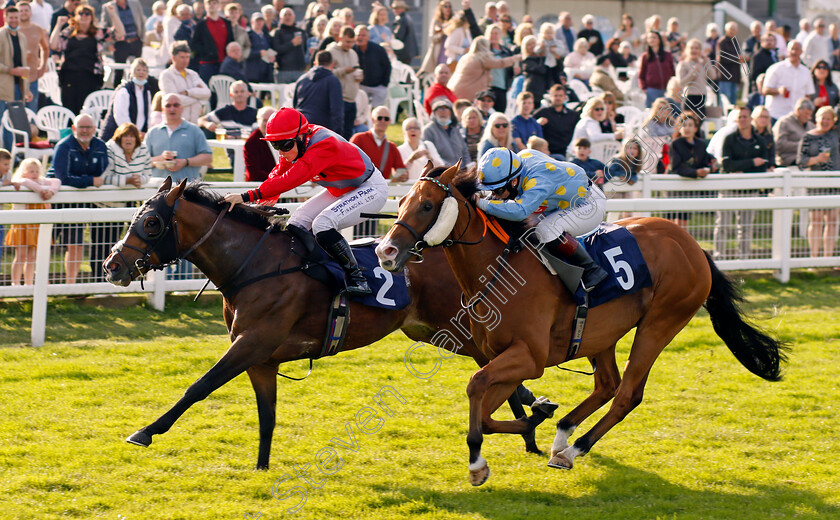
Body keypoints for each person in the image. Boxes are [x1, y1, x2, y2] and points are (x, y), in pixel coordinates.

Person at [223, 107, 389, 295]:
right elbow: (279, 171)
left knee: (323, 224)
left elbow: (290, 179)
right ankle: (314, 271)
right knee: (297, 222)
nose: (281, 151)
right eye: (275, 145)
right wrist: (270, 194)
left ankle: (359, 279)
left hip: (370, 188)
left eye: (284, 145)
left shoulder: (322, 146)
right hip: (343, 188)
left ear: (301, 137)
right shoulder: (295, 142)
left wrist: (246, 196)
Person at [475, 147, 608, 291]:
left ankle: (591, 269)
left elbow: (520, 211)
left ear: (513, 182)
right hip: (557, 201)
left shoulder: (538, 179)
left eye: (498, 190)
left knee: (545, 231)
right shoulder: (518, 163)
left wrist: (482, 203)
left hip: (588, 204)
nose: (494, 195)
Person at [48, 114, 109, 284]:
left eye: (88, 127)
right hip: (57, 200)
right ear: (73, 128)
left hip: (84, 201)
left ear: (95, 129)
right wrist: (90, 181)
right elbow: (64, 178)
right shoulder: (64, 146)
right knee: (45, 243)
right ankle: (37, 285)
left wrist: (86, 181)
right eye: (81, 127)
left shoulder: (100, 146)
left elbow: (103, 174)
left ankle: (70, 286)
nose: (84, 130)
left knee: (76, 245)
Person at [715, 105, 773, 260]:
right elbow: (727, 165)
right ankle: (719, 258)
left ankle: (744, 258)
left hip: (749, 189)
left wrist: (742, 167)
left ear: (751, 119)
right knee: (723, 225)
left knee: (746, 227)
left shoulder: (760, 141)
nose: (742, 120)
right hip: (728, 188)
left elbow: (764, 166)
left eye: (745, 116)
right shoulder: (729, 139)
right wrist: (753, 162)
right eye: (739, 117)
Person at [49, 3, 125, 115]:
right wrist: (59, 25)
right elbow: (54, 45)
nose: (84, 16)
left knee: (88, 109)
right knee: (69, 109)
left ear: (92, 17)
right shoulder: (69, 32)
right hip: (69, 76)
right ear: (76, 16)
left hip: (90, 77)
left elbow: (120, 34)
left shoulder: (97, 33)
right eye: (81, 13)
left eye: (87, 14)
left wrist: (113, 14)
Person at [5, 158, 59, 286]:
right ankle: (16, 284)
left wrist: (50, 191)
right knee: (20, 255)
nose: (34, 174)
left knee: (32, 257)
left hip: (37, 225)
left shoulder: (41, 182)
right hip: (23, 223)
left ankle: (29, 284)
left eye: (36, 171)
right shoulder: (21, 181)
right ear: (23, 172)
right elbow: (25, 181)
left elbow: (56, 181)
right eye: (31, 171)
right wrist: (41, 190)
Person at [798, 106, 840, 258]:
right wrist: (816, 159)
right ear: (816, 119)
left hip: (833, 182)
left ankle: (828, 258)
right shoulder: (807, 137)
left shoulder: (835, 134)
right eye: (823, 118)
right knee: (816, 221)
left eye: (829, 118)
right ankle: (814, 258)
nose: (825, 121)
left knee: (833, 221)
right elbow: (800, 161)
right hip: (816, 183)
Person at [146, 93, 213, 181]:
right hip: (159, 189)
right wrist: (160, 159)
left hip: (187, 188)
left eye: (176, 105)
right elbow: (142, 161)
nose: (172, 109)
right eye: (168, 105)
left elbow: (207, 158)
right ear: (162, 109)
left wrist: (185, 162)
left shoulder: (194, 130)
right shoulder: (153, 132)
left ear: (182, 108)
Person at [666, 112, 716, 229]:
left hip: (687, 189)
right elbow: (676, 166)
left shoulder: (701, 144)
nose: (687, 128)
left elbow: (704, 162)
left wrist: (709, 168)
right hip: (673, 187)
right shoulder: (675, 144)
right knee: (671, 224)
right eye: (684, 125)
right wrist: (695, 172)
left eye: (690, 125)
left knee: (683, 223)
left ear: (695, 128)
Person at [448, 35, 517, 102]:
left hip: (455, 89)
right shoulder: (482, 57)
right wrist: (514, 59)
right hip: (468, 92)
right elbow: (499, 63)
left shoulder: (467, 57)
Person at [0, 6, 33, 143]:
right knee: (4, 121)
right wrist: (10, 70)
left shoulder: (22, 37)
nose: (14, 20)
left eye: (16, 17)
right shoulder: (1, 35)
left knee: (15, 122)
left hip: (17, 87)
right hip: (3, 87)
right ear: (5, 18)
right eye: (11, 17)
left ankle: (12, 153)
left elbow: (22, 65)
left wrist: (27, 89)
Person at [350, 105, 408, 182]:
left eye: (386, 119)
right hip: (360, 188)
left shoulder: (391, 147)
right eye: (379, 118)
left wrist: (402, 176)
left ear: (389, 121)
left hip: (381, 190)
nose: (383, 121)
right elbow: (347, 162)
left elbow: (401, 170)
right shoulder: (358, 139)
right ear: (373, 120)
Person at [102, 58, 155, 142]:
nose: (141, 72)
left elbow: (148, 115)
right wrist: (133, 133)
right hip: (118, 135)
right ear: (132, 72)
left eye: (144, 70)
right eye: (138, 70)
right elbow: (121, 116)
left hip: (137, 136)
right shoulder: (124, 90)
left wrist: (146, 132)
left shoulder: (147, 91)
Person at [159, 41, 211, 123]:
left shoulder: (193, 74)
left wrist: (188, 92)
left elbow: (207, 93)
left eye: (187, 57)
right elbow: (173, 101)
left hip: (193, 123)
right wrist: (197, 98)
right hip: (175, 123)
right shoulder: (166, 75)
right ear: (173, 58)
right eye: (182, 57)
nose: (185, 60)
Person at [293, 50, 343, 135]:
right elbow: (336, 110)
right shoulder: (332, 81)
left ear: (315, 63)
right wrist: (337, 133)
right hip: (322, 129)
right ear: (332, 64)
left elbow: (295, 104)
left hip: (302, 126)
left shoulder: (302, 79)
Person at [762, 40, 814, 122]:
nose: (794, 52)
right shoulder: (776, 68)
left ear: (801, 52)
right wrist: (778, 90)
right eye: (792, 49)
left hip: (796, 118)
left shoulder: (806, 72)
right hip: (776, 115)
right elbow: (765, 90)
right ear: (787, 51)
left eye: (797, 49)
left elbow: (808, 95)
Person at [101, 0, 145, 87]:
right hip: (120, 43)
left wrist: (142, 39)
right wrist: (109, 44)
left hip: (135, 41)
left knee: (138, 68)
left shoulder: (135, 4)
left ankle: (136, 89)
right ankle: (116, 92)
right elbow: (105, 26)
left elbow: (142, 21)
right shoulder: (108, 7)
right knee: (119, 71)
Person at [190, 0, 233, 84]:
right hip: (207, 64)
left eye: (214, 3)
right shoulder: (200, 25)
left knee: (224, 91)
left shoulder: (226, 23)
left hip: (224, 63)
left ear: (218, 5)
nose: (212, 5)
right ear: (205, 6)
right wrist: (207, 52)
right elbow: (194, 44)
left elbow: (231, 42)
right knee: (208, 92)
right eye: (209, 3)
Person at [16, 2, 49, 112]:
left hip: (32, 77)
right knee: (15, 114)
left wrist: (43, 66)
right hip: (15, 79)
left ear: (30, 12)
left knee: (31, 112)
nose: (23, 13)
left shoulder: (38, 29)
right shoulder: (9, 31)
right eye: (21, 11)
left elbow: (45, 48)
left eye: (26, 10)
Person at [534, 84, 579, 160]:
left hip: (569, 152)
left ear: (565, 97)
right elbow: (531, 124)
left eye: (561, 96)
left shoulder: (573, 115)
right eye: (555, 96)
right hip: (548, 153)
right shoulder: (543, 112)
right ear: (550, 97)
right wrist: (538, 123)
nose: (558, 98)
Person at [423, 97, 471, 166]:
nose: (443, 111)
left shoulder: (455, 129)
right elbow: (430, 155)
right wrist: (450, 168)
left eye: (446, 108)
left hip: (461, 170)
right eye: (439, 109)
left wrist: (468, 164)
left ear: (451, 112)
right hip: (442, 171)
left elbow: (464, 150)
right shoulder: (429, 130)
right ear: (434, 112)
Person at [103, 122, 150, 189]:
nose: (128, 139)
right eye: (125, 136)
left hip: (137, 194)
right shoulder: (110, 149)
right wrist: (126, 181)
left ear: (136, 139)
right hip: (113, 195)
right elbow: (104, 178)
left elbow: (148, 175)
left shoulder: (143, 149)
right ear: (119, 138)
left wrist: (139, 179)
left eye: (132, 136)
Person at [354, 25, 391, 109]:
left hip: (378, 86)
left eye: (363, 35)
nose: (360, 37)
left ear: (368, 37)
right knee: (361, 109)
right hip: (361, 86)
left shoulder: (378, 49)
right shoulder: (352, 50)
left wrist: (384, 84)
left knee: (376, 111)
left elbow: (387, 66)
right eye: (358, 35)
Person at [398, 116, 444, 181]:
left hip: (426, 187)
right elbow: (398, 175)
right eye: (409, 128)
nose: (412, 130)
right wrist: (411, 159)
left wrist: (430, 158)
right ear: (404, 132)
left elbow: (441, 168)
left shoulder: (428, 145)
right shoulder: (399, 150)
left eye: (416, 128)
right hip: (408, 188)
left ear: (420, 131)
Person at [773, 97, 815, 167]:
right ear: (798, 110)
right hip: (789, 161)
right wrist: (802, 145)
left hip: (808, 160)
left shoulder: (811, 126)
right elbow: (779, 145)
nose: (809, 117)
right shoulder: (784, 122)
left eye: (810, 115)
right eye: (806, 114)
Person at [638, 31, 675, 107]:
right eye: (650, 38)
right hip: (652, 91)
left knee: (667, 113)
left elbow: (673, 72)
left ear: (659, 40)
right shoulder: (645, 57)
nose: (652, 39)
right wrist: (644, 88)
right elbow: (641, 75)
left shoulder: (668, 55)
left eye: (654, 37)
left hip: (667, 90)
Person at [271, 7, 307, 84]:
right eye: (285, 15)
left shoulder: (301, 32)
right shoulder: (278, 33)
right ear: (280, 18)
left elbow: (305, 49)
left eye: (290, 14)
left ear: (294, 17)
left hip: (299, 70)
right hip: (284, 71)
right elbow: (276, 50)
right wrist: (292, 44)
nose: (287, 17)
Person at [677, 38, 710, 118]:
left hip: (702, 96)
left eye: (697, 48)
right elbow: (681, 83)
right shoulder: (683, 64)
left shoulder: (702, 63)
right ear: (687, 50)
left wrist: (706, 60)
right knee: (689, 120)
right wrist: (692, 73)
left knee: (700, 122)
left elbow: (713, 76)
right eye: (691, 48)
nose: (694, 50)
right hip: (689, 97)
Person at [716, 22, 746, 106]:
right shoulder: (722, 42)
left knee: (733, 100)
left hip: (735, 75)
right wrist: (737, 58)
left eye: (734, 29)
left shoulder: (735, 41)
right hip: (725, 75)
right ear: (726, 30)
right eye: (731, 29)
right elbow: (721, 58)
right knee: (725, 99)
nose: (733, 31)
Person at [244, 106, 276, 182]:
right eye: (264, 120)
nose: (268, 123)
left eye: (271, 120)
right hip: (262, 185)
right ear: (258, 121)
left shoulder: (285, 136)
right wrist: (280, 179)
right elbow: (255, 173)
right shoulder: (252, 142)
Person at [246, 11, 274, 84]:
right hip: (252, 72)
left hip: (266, 72)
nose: (259, 23)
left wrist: (272, 56)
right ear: (252, 22)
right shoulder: (248, 36)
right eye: (257, 21)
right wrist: (259, 53)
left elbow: (271, 49)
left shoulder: (267, 36)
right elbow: (244, 53)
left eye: (261, 21)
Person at [391, 0, 418, 65]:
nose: (395, 10)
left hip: (402, 52)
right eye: (394, 8)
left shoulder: (401, 19)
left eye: (397, 8)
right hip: (407, 52)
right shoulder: (407, 18)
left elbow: (398, 35)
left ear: (403, 9)